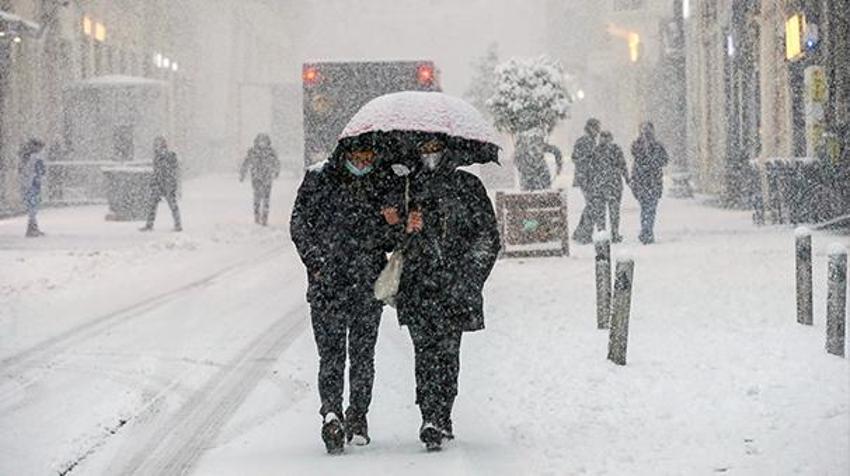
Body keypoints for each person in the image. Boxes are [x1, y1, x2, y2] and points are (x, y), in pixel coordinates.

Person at [391, 134, 501, 451]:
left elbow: (487, 237)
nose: (429, 155)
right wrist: (403, 226)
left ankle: (443, 412)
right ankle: (430, 416)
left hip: (455, 288)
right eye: (423, 150)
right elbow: (386, 234)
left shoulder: (467, 187)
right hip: (418, 286)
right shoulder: (407, 187)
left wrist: (469, 277)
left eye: (435, 149)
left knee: (448, 355)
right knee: (424, 354)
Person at [290, 135, 398, 454]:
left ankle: (358, 416)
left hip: (367, 285)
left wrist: (392, 223)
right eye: (358, 154)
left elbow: (391, 240)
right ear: (345, 152)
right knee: (332, 355)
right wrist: (316, 262)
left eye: (368, 155)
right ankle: (332, 413)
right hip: (328, 286)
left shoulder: (382, 180)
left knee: (363, 356)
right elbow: (298, 223)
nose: (363, 161)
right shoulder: (319, 178)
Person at [630, 122, 669, 244]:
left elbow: (664, 160)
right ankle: (647, 232)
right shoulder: (638, 145)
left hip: (651, 182)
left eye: (648, 130)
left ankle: (646, 231)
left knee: (649, 209)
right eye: (644, 130)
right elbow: (639, 160)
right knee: (647, 209)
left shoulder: (656, 146)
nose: (646, 133)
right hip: (644, 182)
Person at [592, 131, 629, 242]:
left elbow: (591, 168)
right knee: (613, 212)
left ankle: (603, 234)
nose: (603, 140)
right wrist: (626, 177)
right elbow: (622, 165)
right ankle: (614, 234)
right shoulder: (615, 149)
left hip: (601, 185)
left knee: (601, 212)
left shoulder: (596, 150)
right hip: (613, 184)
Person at [140, 137, 182, 232]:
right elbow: (166, 171)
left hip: (165, 184)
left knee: (160, 205)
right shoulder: (164, 156)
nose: (156, 147)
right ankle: (177, 224)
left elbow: (164, 171)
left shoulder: (165, 156)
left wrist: (158, 181)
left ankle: (151, 225)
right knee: (168, 205)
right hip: (163, 184)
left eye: (157, 144)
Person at [571, 118, 601, 243]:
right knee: (593, 206)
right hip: (587, 178)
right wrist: (588, 162)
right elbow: (576, 157)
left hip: (587, 178)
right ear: (590, 128)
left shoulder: (590, 141)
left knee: (591, 206)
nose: (598, 131)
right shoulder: (585, 141)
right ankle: (584, 234)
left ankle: (581, 232)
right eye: (596, 128)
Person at [240, 133, 281, 226]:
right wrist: (243, 173)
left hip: (267, 177)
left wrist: (276, 172)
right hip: (256, 177)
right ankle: (257, 217)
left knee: (266, 198)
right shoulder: (253, 151)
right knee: (257, 198)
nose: (262, 143)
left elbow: (276, 162)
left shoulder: (271, 152)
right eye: (260, 141)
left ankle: (264, 218)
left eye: (264, 141)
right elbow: (246, 162)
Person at [18, 138, 47, 237]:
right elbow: (41, 171)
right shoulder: (35, 157)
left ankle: (33, 227)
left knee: (32, 207)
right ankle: (32, 229)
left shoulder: (25, 156)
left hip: (28, 184)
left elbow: (22, 171)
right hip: (33, 185)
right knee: (33, 207)